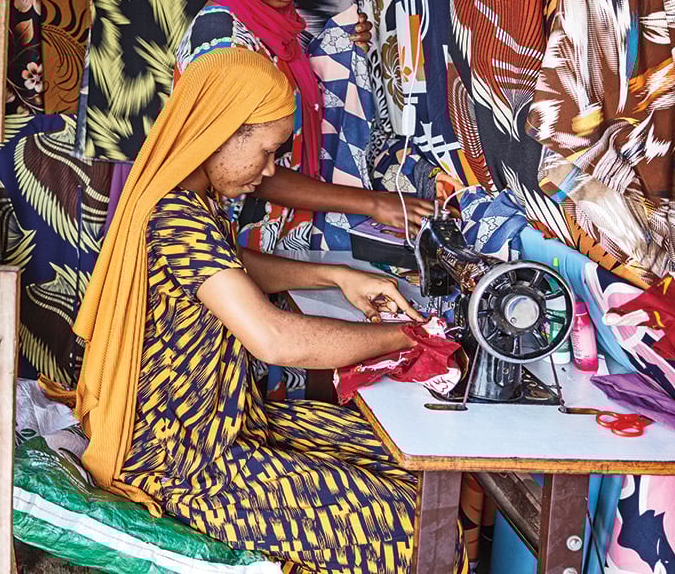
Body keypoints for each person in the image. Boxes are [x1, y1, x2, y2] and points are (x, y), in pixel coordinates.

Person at [74, 47, 426, 573]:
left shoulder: (191, 199)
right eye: (264, 151)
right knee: (409, 523)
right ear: (218, 131)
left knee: (402, 457)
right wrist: (408, 338)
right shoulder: (176, 214)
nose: (268, 171)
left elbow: (225, 265)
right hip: (185, 462)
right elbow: (275, 341)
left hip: (230, 424)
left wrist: (335, 275)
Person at [175, 0, 436, 251]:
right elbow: (246, 167)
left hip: (276, 227)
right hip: (237, 239)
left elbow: (284, 98)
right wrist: (373, 203)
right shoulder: (224, 48)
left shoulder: (267, 23)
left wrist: (335, 49)